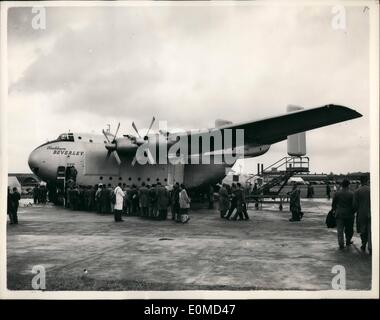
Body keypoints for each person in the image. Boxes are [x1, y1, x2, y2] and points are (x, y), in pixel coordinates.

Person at [332, 179, 355, 250]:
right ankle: (348, 241)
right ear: (348, 185)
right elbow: (354, 205)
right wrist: (353, 211)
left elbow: (333, 204)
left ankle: (341, 244)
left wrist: (334, 210)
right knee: (349, 229)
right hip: (349, 214)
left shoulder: (337, 193)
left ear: (342, 185)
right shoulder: (352, 193)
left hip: (339, 214)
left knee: (340, 230)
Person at [353, 175, 371, 254]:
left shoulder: (357, 191)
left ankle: (364, 244)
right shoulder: (372, 190)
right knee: (370, 230)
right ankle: (370, 247)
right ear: (367, 180)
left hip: (361, 213)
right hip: (371, 213)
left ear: (360, 181)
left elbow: (354, 205)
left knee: (362, 230)